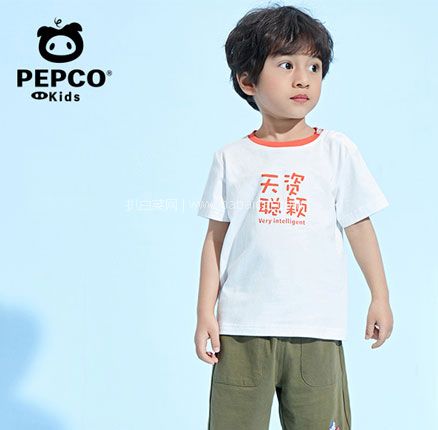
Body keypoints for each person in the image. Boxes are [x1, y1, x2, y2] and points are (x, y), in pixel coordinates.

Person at [194, 4, 394, 430]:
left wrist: (380, 296)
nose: (303, 78)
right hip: (241, 328)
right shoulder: (231, 158)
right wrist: (204, 313)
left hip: (316, 329)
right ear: (247, 81)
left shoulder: (336, 151)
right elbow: (215, 240)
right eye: (286, 65)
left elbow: (359, 226)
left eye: (314, 67)